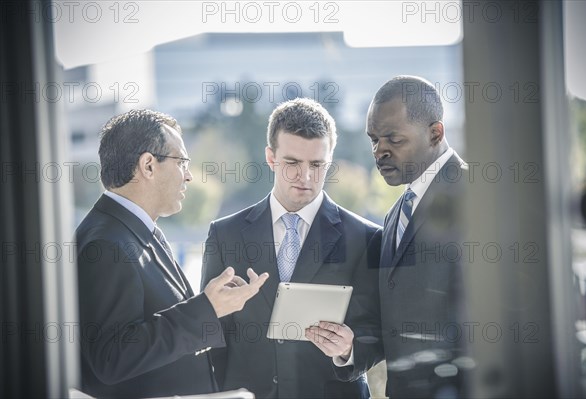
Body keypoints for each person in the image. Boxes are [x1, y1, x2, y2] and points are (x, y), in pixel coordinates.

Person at [76, 109, 268, 398]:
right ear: (148, 166)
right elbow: (111, 357)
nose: (189, 175)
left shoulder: (134, 230)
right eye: (182, 162)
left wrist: (216, 306)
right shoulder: (106, 244)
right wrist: (207, 308)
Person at [201, 98, 381, 398]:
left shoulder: (366, 237)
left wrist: (350, 348)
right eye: (293, 163)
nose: (306, 177)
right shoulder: (224, 235)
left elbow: (378, 330)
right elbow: (213, 332)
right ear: (271, 157)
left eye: (317, 164)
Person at [311, 76, 468, 398]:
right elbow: (393, 320)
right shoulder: (395, 214)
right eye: (374, 140)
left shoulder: (475, 197)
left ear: (435, 133)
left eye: (393, 140)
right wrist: (348, 348)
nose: (379, 151)